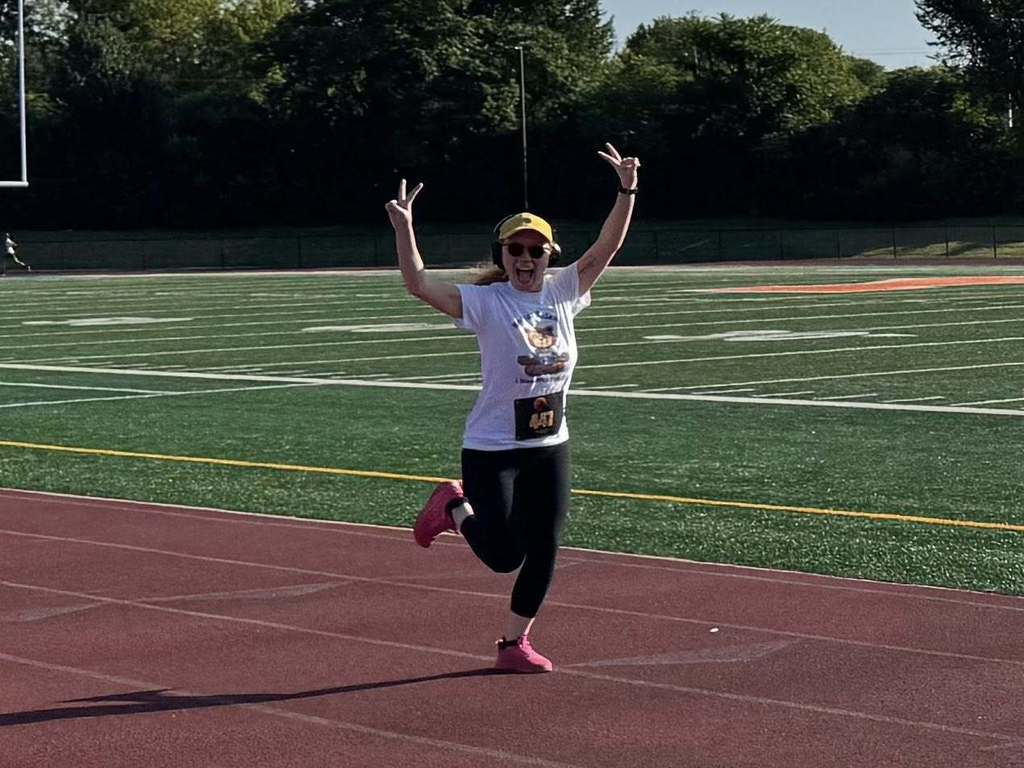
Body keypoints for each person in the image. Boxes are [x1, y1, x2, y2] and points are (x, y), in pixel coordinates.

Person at [384, 143, 640, 673]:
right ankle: (453, 507)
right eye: (516, 251)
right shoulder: (486, 301)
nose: (526, 259)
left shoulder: (566, 290)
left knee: (545, 545)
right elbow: (416, 284)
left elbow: (606, 246)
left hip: (549, 443)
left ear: (549, 255)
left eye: (536, 251)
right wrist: (404, 228)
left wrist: (626, 188)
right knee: (504, 557)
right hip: (492, 446)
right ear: (502, 256)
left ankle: (513, 644)